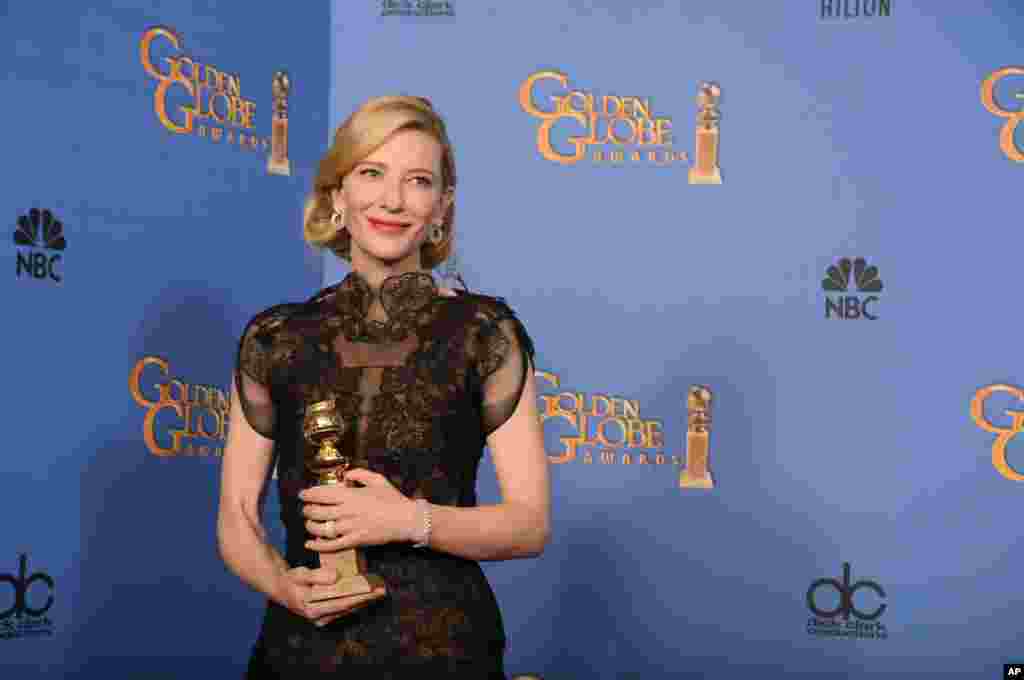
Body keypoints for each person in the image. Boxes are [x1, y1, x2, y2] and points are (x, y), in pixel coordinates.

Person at [216, 95, 551, 678]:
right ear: (338, 193)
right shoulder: (277, 338)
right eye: (372, 172)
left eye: (418, 181)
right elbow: (236, 515)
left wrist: (408, 521)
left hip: (441, 651)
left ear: (442, 207)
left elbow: (530, 523)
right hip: (300, 652)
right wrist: (286, 587)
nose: (392, 200)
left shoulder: (483, 333)